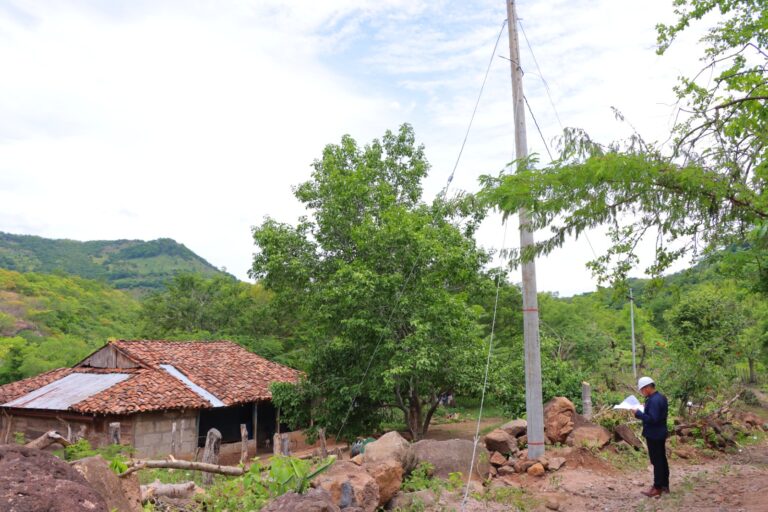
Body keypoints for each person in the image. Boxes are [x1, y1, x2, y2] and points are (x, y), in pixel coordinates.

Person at [632, 376, 669, 497]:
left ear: (648, 388)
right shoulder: (659, 398)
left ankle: (657, 487)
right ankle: (664, 485)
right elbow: (656, 415)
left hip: (654, 434)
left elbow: (652, 419)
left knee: (657, 461)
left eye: (642, 390)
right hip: (660, 433)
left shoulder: (654, 400)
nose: (642, 392)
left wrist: (638, 414)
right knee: (662, 459)